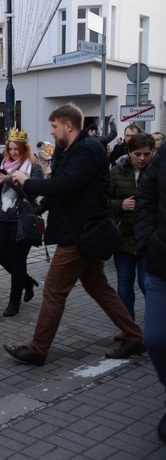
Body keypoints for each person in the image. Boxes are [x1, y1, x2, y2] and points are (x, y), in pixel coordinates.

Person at [4, 102, 145, 366]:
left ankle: (38, 349)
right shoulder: (75, 149)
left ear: (69, 125)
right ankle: (134, 336)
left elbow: (65, 185)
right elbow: (65, 188)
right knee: (100, 289)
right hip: (81, 231)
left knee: (54, 290)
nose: (52, 132)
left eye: (55, 127)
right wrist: (40, 204)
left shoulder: (88, 150)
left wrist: (28, 182)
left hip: (81, 234)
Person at [134, 129, 166, 442]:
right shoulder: (163, 157)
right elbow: (146, 198)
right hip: (161, 265)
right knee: (155, 339)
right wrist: (148, 242)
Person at [0, 128, 42, 317]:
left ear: (24, 149)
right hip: (4, 218)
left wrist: (10, 180)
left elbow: (33, 192)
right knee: (2, 259)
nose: (13, 153)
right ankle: (27, 282)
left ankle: (14, 302)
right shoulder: (4, 164)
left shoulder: (33, 167)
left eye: (17, 149)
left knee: (18, 261)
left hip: (22, 219)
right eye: (10, 149)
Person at [109, 132, 155, 322]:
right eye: (137, 154)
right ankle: (129, 330)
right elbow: (101, 200)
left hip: (150, 240)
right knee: (124, 286)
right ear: (128, 152)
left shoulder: (157, 171)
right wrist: (120, 204)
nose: (142, 158)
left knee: (148, 285)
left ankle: (154, 327)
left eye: (147, 154)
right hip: (123, 239)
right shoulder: (117, 171)